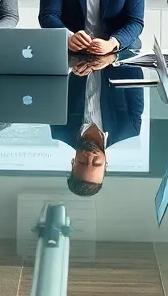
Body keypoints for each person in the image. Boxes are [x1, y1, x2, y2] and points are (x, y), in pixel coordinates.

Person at [50, 55, 145, 196]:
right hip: (117, 49)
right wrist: (112, 58)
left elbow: (52, 82)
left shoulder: (59, 128)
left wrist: (71, 63)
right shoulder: (129, 127)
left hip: (75, 49)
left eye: (82, 162)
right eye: (96, 163)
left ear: (72, 162)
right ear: (106, 165)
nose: (90, 156)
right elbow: (135, 72)